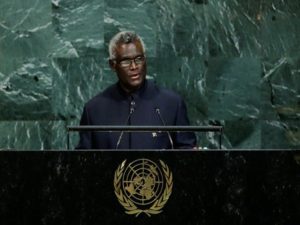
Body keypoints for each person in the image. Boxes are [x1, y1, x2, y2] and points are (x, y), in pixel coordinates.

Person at [76, 31, 196, 149]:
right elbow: (83, 162)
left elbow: (187, 152)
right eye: (126, 61)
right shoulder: (94, 110)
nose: (134, 67)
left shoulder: (172, 104)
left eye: (139, 59)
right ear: (113, 65)